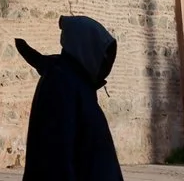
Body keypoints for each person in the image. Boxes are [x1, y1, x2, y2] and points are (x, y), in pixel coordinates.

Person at [16, 14, 124, 180]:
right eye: (103, 54)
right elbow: (56, 156)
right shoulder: (62, 85)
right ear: (85, 47)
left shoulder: (77, 83)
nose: (106, 62)